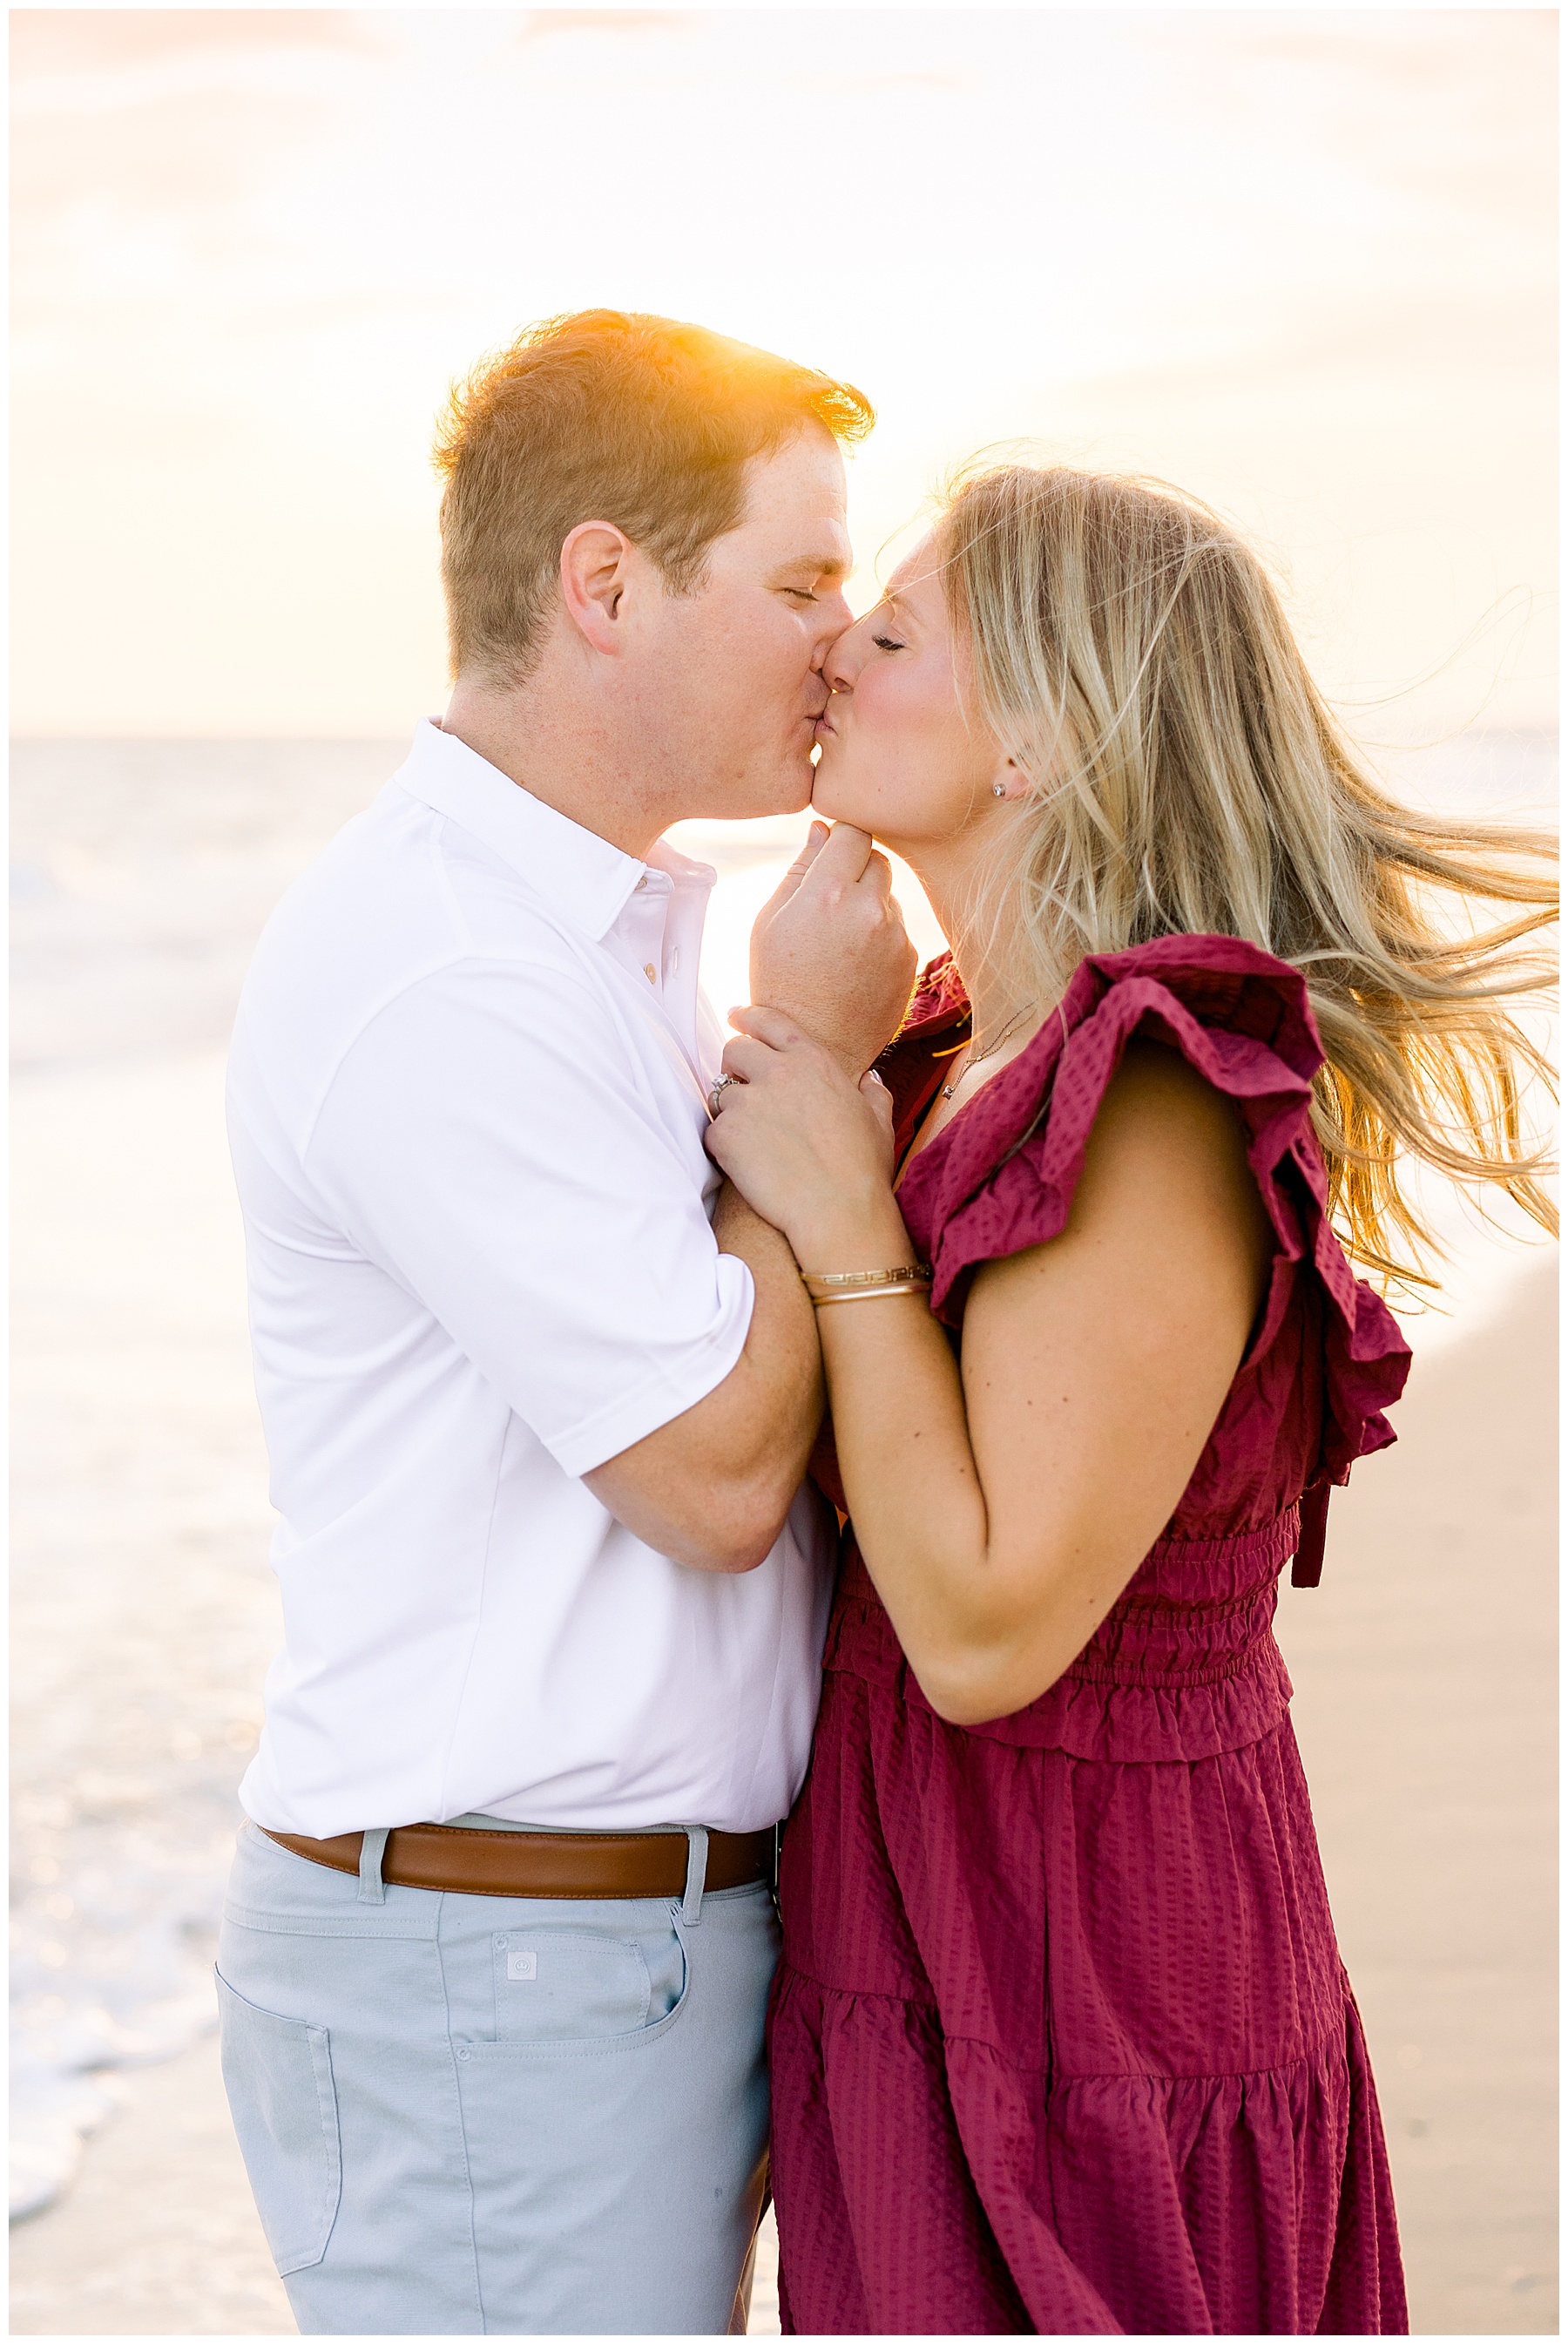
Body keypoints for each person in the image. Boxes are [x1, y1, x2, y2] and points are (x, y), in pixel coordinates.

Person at [706, 461, 1557, 2335]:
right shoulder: (944, 1048)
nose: (840, 644)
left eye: (902, 629)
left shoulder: (1153, 1096)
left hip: (1098, 1972)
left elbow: (990, 1627)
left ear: (1046, 739)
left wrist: (843, 1209)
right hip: (931, 1932)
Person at [217, 311, 916, 2335]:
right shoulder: (445, 968)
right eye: (798, 583)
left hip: (591, 1958)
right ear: (603, 584)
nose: (841, 640)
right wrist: (820, 1068)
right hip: (491, 1981)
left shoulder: (595, 935)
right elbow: (707, 1473)